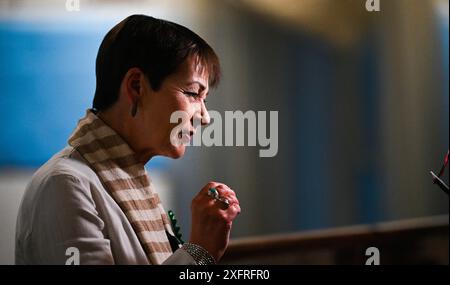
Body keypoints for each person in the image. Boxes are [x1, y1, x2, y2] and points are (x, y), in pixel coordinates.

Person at [15, 14, 240, 265]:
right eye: (192, 93)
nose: (205, 117)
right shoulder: (65, 184)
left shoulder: (128, 179)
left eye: (204, 99)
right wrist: (198, 251)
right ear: (136, 86)